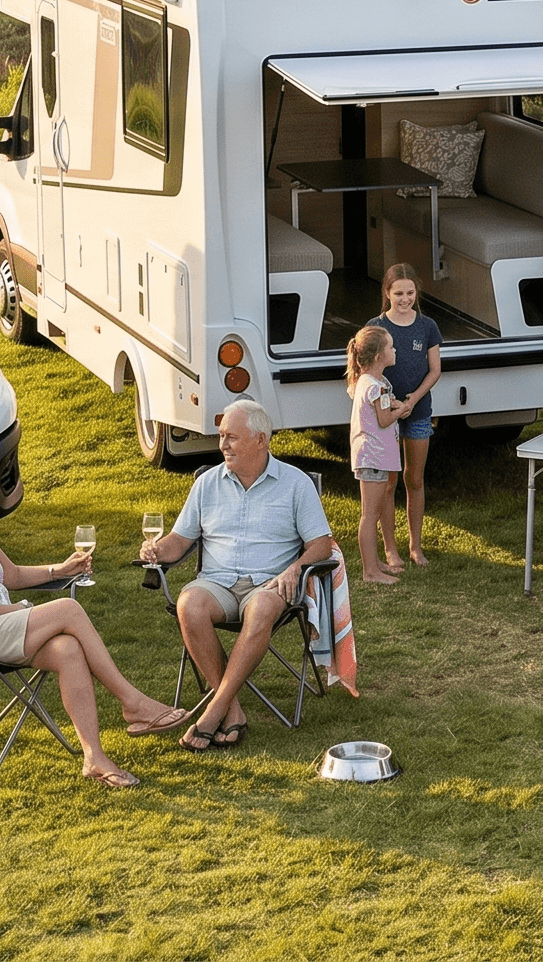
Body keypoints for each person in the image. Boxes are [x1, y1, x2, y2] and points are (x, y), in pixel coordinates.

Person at [0, 448, 187, 788]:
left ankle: (94, 757)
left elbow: (12, 576)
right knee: (68, 609)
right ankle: (133, 703)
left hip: (1, 631)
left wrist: (59, 569)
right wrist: (13, 612)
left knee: (67, 648)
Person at [142, 400, 338, 751]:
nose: (223, 445)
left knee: (262, 609)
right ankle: (230, 709)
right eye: (221, 436)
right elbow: (178, 541)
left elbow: (322, 545)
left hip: (269, 583)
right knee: (189, 604)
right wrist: (157, 550)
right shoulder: (207, 484)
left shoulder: (295, 484)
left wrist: (295, 567)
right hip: (216, 582)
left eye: (232, 437)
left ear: (261, 440)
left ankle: (214, 710)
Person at [367, 263, 442, 566]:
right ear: (387, 293)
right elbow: (366, 372)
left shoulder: (427, 326)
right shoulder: (375, 325)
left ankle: (415, 545)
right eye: (398, 293)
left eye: (410, 292)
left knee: (415, 479)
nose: (405, 298)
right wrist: (392, 403)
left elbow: (435, 370)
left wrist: (412, 400)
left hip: (418, 410)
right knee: (388, 482)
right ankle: (389, 549)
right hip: (385, 416)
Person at [346, 324, 409, 585]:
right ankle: (370, 572)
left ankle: (375, 563)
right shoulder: (376, 386)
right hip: (372, 456)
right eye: (391, 347)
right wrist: (402, 410)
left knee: (376, 510)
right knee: (370, 515)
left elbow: (380, 410)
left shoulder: (372, 381)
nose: (395, 350)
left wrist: (393, 405)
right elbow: (384, 420)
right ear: (378, 356)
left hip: (376, 456)